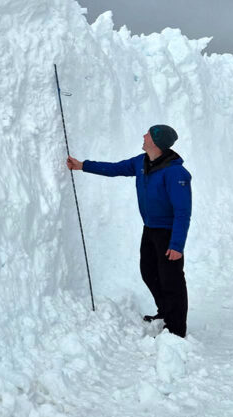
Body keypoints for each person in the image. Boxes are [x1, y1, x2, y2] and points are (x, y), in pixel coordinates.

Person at [66, 125, 191, 337]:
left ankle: (177, 329)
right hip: (150, 229)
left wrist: (176, 245)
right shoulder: (141, 162)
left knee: (172, 279)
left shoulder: (175, 172)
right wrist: (82, 166)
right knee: (149, 272)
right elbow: (116, 168)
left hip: (168, 233)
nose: (144, 136)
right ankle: (165, 312)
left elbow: (182, 211)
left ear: (157, 142)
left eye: (148, 134)